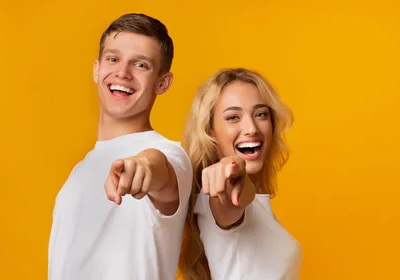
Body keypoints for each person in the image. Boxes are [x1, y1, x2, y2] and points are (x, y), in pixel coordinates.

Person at [48, 13, 193, 280]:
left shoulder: (171, 154)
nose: (122, 73)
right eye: (113, 59)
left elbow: (157, 166)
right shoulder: (78, 174)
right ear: (96, 69)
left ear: (162, 83)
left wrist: (142, 166)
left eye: (140, 65)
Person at [180, 68, 302, 280]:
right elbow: (234, 196)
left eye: (260, 114)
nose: (251, 128)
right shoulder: (217, 196)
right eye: (233, 117)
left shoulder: (256, 207)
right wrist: (233, 166)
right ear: (210, 131)